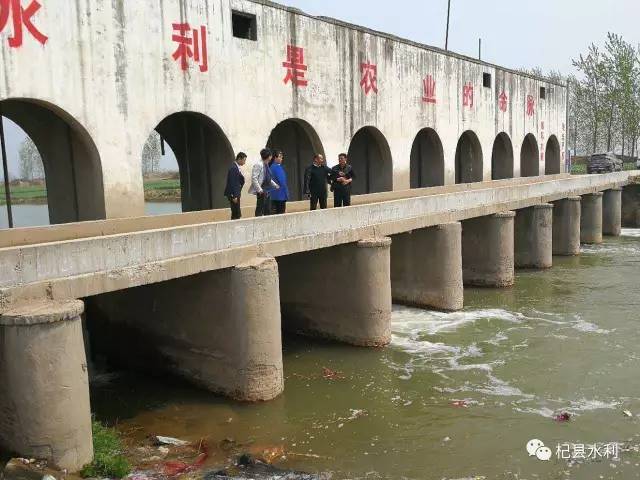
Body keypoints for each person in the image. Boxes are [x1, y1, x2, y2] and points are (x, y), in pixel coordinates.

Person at [249, 148, 279, 217]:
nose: (271, 157)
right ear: (267, 156)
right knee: (260, 208)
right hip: (262, 191)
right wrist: (259, 190)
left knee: (267, 210)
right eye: (270, 156)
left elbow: (268, 178)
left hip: (267, 190)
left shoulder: (266, 164)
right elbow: (254, 178)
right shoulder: (258, 164)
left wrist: (275, 185)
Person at [223, 152, 247, 220]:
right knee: (236, 213)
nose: (244, 162)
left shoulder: (236, 167)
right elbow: (232, 182)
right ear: (239, 159)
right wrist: (234, 196)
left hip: (236, 193)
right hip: (234, 195)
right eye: (244, 160)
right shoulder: (233, 168)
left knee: (236, 213)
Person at [269, 150, 290, 214]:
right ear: (275, 158)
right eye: (280, 157)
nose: (281, 159)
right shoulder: (276, 167)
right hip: (280, 194)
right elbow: (282, 181)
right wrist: (286, 193)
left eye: (282, 157)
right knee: (280, 213)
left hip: (274, 195)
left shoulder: (272, 166)